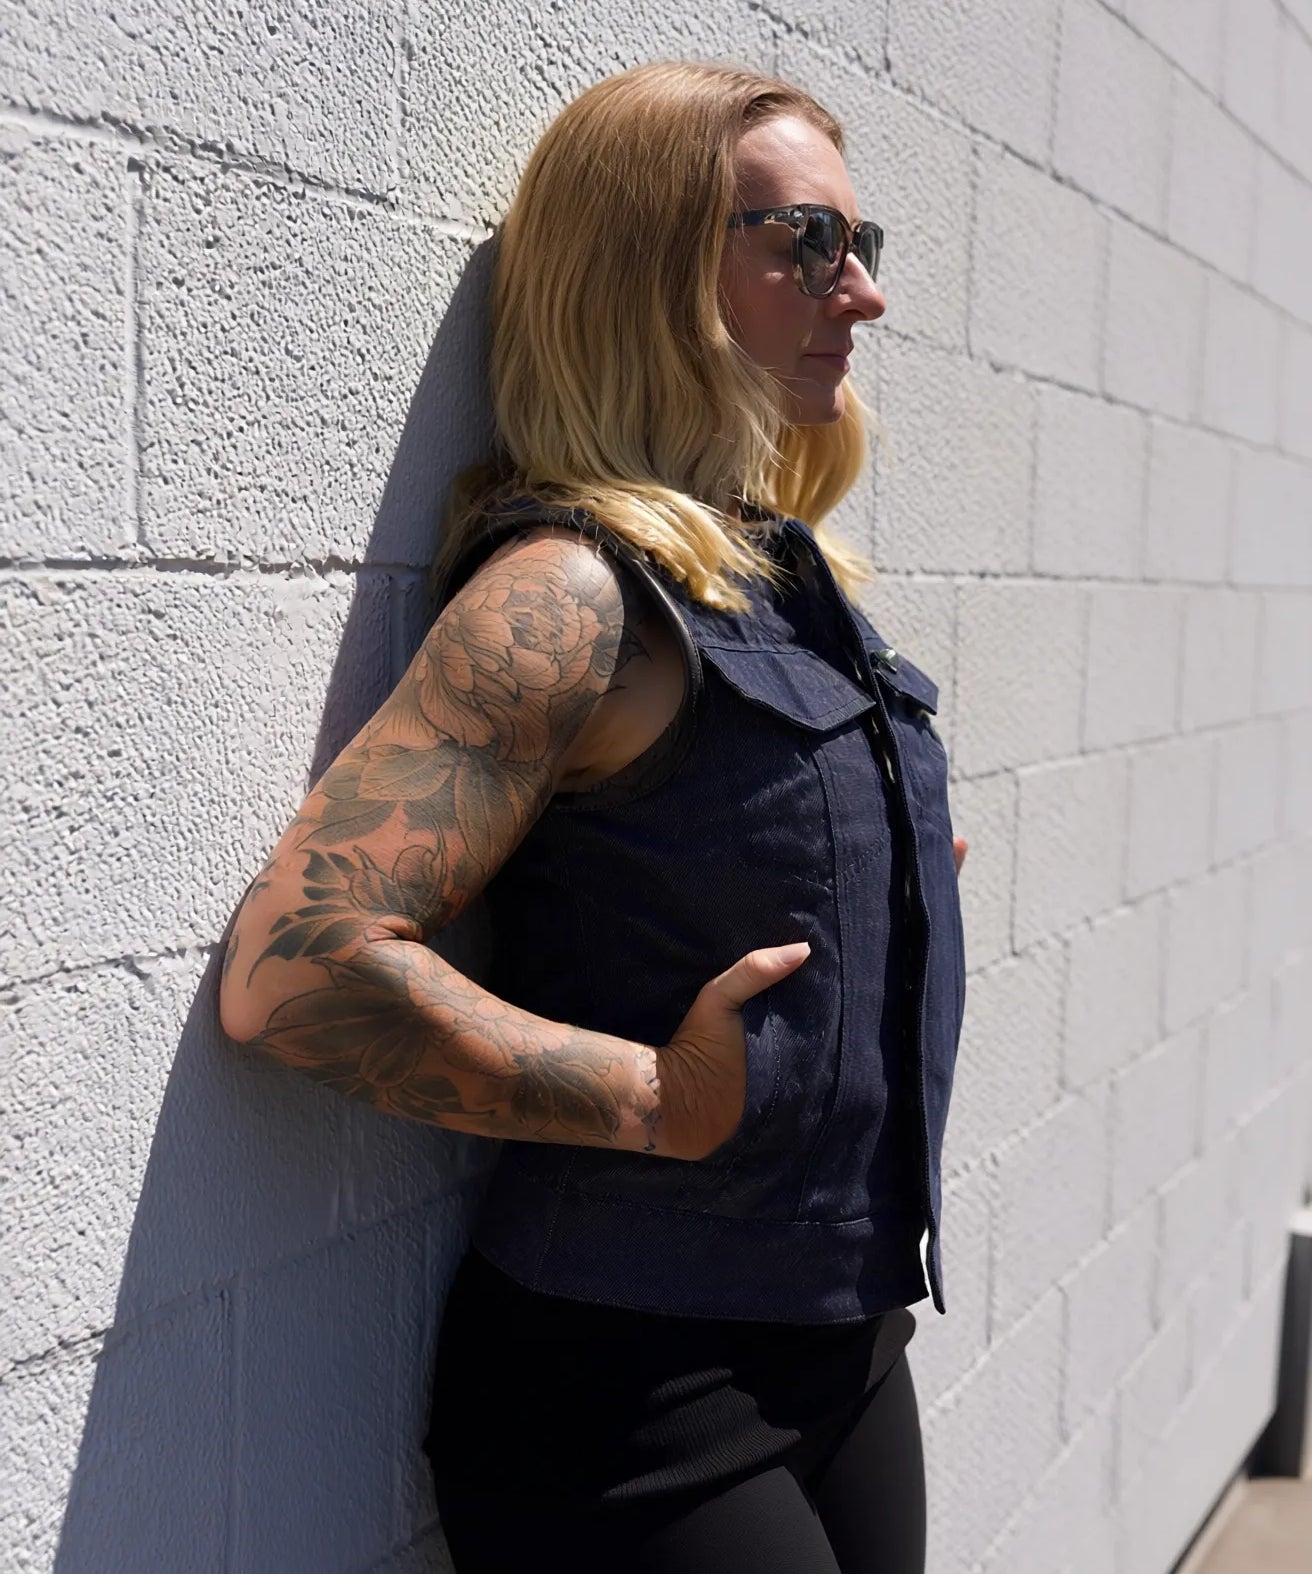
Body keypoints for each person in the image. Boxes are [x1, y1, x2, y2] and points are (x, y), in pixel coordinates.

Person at [219, 59, 969, 1574]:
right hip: (632, 1382)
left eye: (862, 243)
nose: (863, 294)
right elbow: (292, 969)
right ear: (655, 274)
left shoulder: (786, 584)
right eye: (809, 244)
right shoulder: (570, 595)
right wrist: (647, 1095)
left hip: (845, 1331)